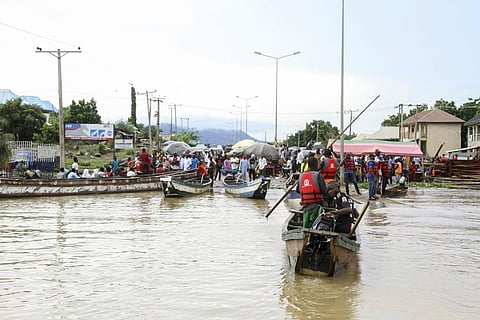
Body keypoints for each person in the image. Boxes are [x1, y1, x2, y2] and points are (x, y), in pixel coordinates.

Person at [297, 157, 328, 228]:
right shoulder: (318, 175)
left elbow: (298, 190)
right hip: (316, 204)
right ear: (316, 165)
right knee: (315, 225)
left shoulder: (301, 175)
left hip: (305, 205)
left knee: (306, 225)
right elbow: (324, 191)